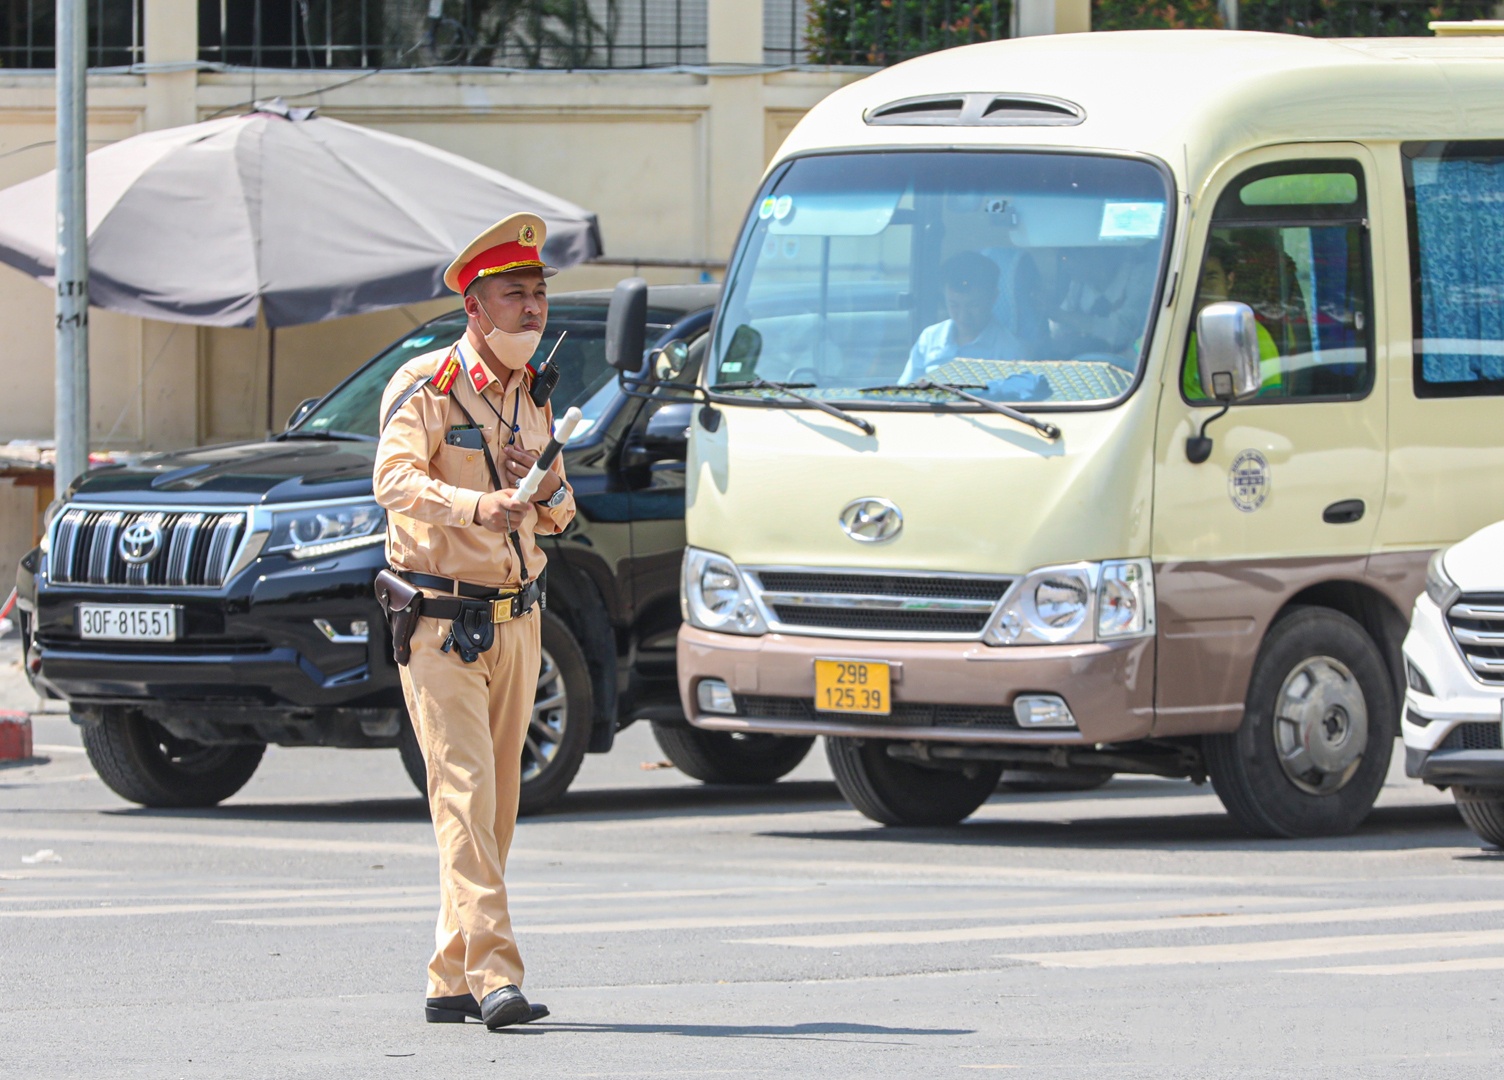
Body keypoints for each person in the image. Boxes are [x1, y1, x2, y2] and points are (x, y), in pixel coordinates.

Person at [373, 212, 575, 1030]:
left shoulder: (535, 399)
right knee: (461, 794)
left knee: (494, 810)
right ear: (474, 307)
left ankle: (449, 975)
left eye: (537, 294)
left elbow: (560, 516)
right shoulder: (428, 387)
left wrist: (542, 486)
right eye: (512, 295)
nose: (530, 309)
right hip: (439, 619)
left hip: (517, 619)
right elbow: (391, 481)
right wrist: (476, 504)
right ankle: (496, 973)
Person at [899, 251, 1024, 383]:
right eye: (954, 305)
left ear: (993, 298)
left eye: (973, 305)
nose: (963, 316)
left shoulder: (1011, 352)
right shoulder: (929, 338)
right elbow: (905, 392)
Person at [1182, 238, 1282, 400]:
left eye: (1211, 276)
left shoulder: (1248, 333)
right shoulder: (1170, 330)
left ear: (1229, 280)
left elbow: (1270, 397)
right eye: (1195, 279)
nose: (1202, 286)